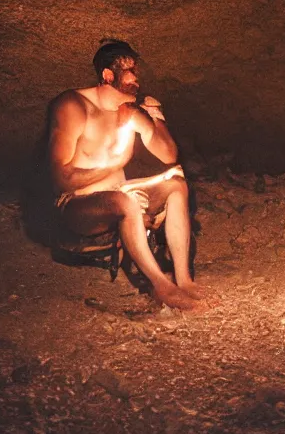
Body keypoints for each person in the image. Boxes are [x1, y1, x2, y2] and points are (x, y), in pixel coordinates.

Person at [47, 40, 207, 311]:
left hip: (122, 196)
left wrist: (156, 115)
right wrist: (115, 165)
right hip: (79, 206)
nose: (137, 78)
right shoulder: (74, 106)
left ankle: (184, 280)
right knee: (124, 202)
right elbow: (61, 179)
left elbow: (169, 155)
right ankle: (162, 287)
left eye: (137, 70)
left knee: (177, 185)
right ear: (108, 75)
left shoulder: (128, 111)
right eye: (130, 70)